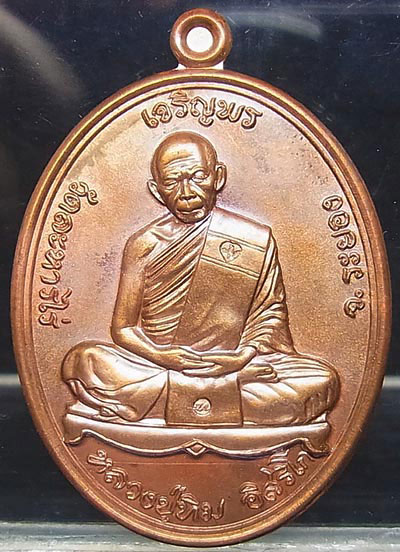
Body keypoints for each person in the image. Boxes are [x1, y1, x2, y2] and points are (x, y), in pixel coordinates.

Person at [62, 131, 339, 427]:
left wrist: (240, 359)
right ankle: (226, 391)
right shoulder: (144, 244)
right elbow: (124, 329)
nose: (187, 192)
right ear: (156, 190)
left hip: (235, 362)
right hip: (158, 363)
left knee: (322, 380)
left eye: (197, 176)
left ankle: (168, 399)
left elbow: (269, 316)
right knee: (83, 360)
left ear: (218, 177)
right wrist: (164, 357)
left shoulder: (254, 239)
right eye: (172, 181)